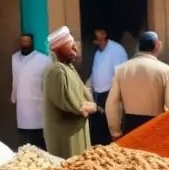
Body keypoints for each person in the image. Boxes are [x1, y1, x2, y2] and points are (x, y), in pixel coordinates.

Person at [106, 31, 169, 138]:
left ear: (139, 46)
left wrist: (115, 131)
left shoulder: (121, 70)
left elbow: (112, 103)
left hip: (130, 128)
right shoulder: (166, 70)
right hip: (156, 129)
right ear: (157, 45)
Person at [43, 27, 94, 158]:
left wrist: (90, 105)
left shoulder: (69, 68)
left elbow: (87, 98)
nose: (76, 50)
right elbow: (76, 105)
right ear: (58, 48)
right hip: (66, 138)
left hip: (76, 132)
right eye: (71, 47)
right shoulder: (57, 71)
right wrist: (89, 107)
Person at [86, 27, 128, 146]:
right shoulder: (97, 52)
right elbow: (95, 75)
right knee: (98, 132)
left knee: (112, 132)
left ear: (104, 34)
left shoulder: (116, 50)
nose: (94, 34)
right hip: (97, 96)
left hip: (112, 96)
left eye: (97, 31)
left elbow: (121, 75)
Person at [11, 34, 49, 149]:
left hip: (37, 105)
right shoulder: (15, 58)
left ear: (32, 43)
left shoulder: (44, 60)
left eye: (27, 41)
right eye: (23, 41)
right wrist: (13, 97)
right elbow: (15, 79)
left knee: (38, 136)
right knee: (24, 136)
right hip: (21, 103)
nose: (25, 43)